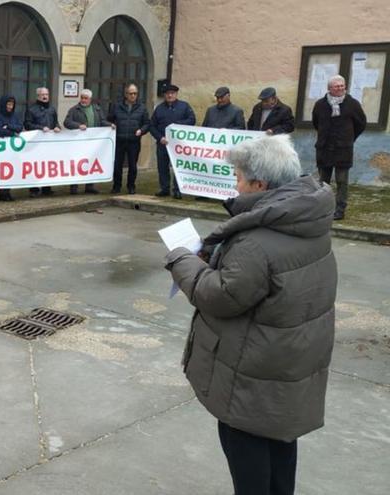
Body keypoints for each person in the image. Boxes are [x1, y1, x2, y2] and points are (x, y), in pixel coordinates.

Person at [164, 134, 336, 495]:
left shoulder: (257, 240)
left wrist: (181, 259)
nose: (235, 184)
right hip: (288, 361)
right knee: (280, 442)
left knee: (247, 452)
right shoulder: (305, 218)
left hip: (254, 371)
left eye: (239, 178)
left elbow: (220, 296)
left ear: (259, 185)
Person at [312, 75, 367, 220]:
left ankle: (340, 209)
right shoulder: (320, 105)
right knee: (323, 182)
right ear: (329, 88)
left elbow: (361, 123)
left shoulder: (352, 104)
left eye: (342, 85)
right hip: (324, 149)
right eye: (337, 86)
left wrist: (349, 138)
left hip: (343, 149)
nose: (341, 88)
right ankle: (323, 208)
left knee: (342, 181)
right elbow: (316, 122)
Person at [150, 83, 196, 199]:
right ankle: (164, 188)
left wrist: (177, 125)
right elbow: (152, 126)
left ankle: (177, 189)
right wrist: (160, 138)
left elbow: (192, 120)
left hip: (179, 144)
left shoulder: (184, 106)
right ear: (165, 95)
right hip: (163, 143)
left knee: (178, 167)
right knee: (162, 167)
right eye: (168, 94)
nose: (170, 95)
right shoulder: (159, 109)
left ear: (176, 94)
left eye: (172, 93)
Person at [64, 89, 112, 194]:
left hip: (93, 143)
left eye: (86, 98)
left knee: (91, 163)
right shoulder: (74, 110)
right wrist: (78, 126)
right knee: (77, 163)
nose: (83, 100)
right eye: (82, 97)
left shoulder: (97, 109)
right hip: (79, 143)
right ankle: (74, 187)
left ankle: (89, 186)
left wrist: (110, 125)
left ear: (90, 99)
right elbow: (66, 122)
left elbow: (102, 121)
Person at [107, 83, 149, 194]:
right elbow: (109, 119)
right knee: (117, 165)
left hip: (134, 141)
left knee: (132, 166)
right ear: (126, 94)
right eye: (131, 93)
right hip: (119, 139)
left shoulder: (142, 107)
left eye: (135, 93)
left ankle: (131, 186)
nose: (133, 96)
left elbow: (147, 123)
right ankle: (116, 186)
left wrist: (141, 131)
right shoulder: (117, 106)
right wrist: (111, 125)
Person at [24, 87, 61, 197]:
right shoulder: (31, 110)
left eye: (46, 94)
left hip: (49, 144)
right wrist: (40, 128)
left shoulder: (52, 109)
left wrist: (57, 127)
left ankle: (47, 188)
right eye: (42, 95)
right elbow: (27, 124)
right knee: (35, 165)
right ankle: (34, 189)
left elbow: (56, 123)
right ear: (38, 96)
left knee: (47, 165)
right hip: (36, 143)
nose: (45, 97)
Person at [0, 95, 23, 201]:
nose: (10, 107)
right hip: (1, 150)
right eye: (8, 104)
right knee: (2, 170)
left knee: (11, 170)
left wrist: (8, 126)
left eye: (12, 104)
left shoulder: (15, 116)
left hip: (12, 150)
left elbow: (20, 127)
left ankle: (8, 191)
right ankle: (2, 193)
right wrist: (13, 133)